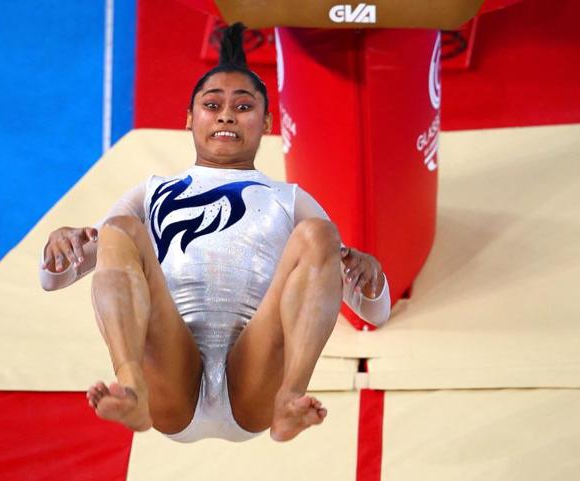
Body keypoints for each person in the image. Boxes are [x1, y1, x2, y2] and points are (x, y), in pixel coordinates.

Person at [40, 23, 390, 443]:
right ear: (190, 118)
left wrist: (370, 277)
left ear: (267, 122)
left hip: (255, 378)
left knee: (319, 234)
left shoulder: (288, 199)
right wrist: (58, 246)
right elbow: (57, 276)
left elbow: (373, 311)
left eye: (244, 107)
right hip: (170, 374)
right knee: (119, 229)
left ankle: (291, 397)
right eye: (212, 104)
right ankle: (131, 384)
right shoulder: (153, 192)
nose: (226, 114)